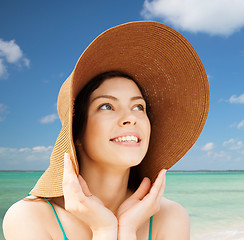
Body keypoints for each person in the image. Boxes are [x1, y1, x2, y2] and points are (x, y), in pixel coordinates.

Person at [2, 21, 209, 240]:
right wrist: (104, 230)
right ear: (76, 132)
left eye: (138, 106)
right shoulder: (29, 218)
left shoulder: (169, 217)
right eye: (107, 106)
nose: (131, 118)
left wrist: (127, 230)